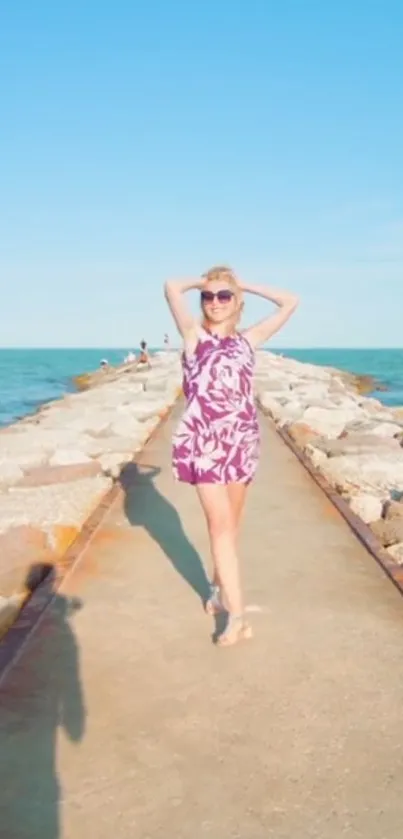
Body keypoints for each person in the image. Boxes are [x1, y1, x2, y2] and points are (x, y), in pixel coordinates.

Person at [164, 266, 299, 646]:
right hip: (203, 444)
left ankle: (217, 589)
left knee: (231, 527)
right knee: (219, 527)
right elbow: (172, 286)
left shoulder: (248, 341)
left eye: (224, 296)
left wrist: (242, 286)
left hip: (241, 442)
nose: (215, 303)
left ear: (237, 302)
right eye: (209, 296)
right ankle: (236, 617)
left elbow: (290, 301)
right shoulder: (193, 337)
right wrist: (204, 282)